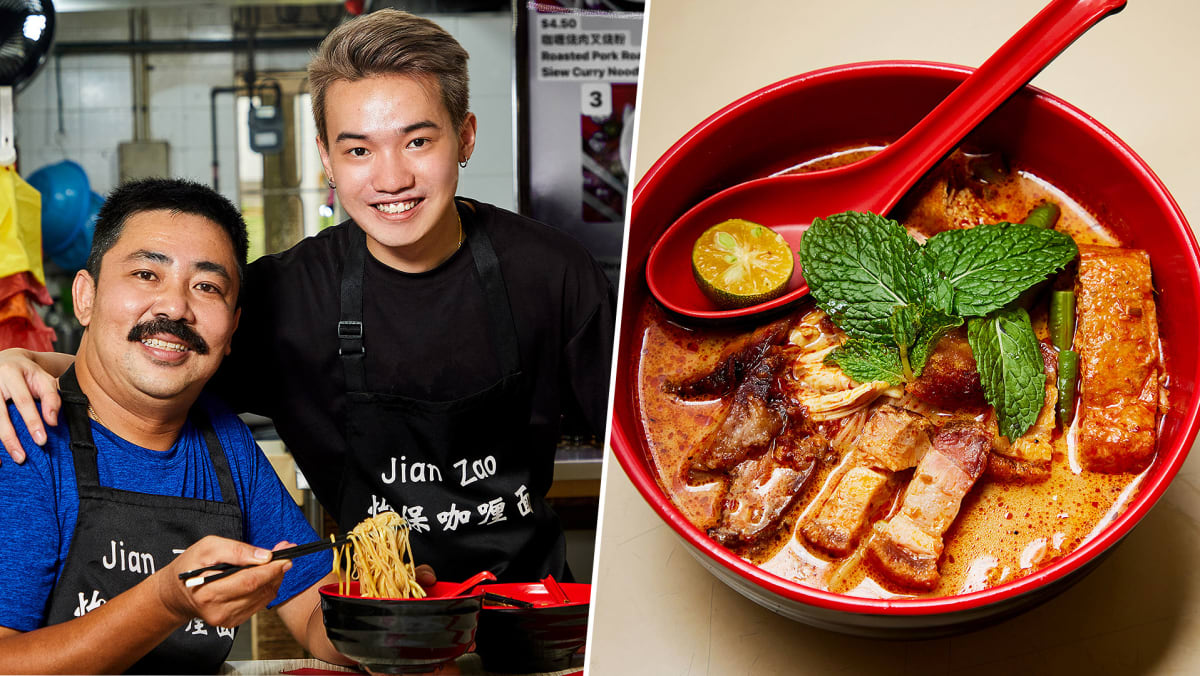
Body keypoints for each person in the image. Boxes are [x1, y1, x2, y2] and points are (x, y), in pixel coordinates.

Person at [0, 10, 614, 584]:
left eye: (417, 142)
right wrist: (23, 363)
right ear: (326, 157)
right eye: (358, 150)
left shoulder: (551, 272)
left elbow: (640, 444)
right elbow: (157, 362)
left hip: (536, 611)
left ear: (466, 136)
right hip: (376, 617)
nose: (391, 178)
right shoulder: (285, 296)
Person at [0, 179, 354, 673]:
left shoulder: (225, 444)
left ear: (232, 328)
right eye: (146, 274)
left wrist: (388, 619)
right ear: (85, 297)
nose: (174, 307)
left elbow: (315, 610)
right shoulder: (26, 437)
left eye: (207, 286)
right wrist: (166, 600)